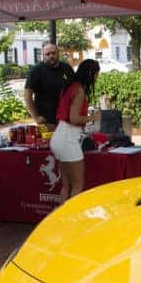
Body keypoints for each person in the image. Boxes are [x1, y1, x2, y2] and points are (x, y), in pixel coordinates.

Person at [51, 59, 101, 204]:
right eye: (97, 74)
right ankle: (71, 221)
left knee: (66, 185)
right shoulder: (79, 90)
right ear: (91, 74)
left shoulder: (70, 86)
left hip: (59, 136)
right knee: (78, 185)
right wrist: (92, 117)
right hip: (68, 139)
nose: (97, 78)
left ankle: (60, 219)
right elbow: (74, 118)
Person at [25, 42, 74, 132]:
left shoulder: (67, 68)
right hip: (47, 122)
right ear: (43, 55)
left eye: (53, 53)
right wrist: (36, 117)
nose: (51, 56)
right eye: (47, 54)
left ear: (58, 53)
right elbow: (27, 96)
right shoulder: (36, 71)